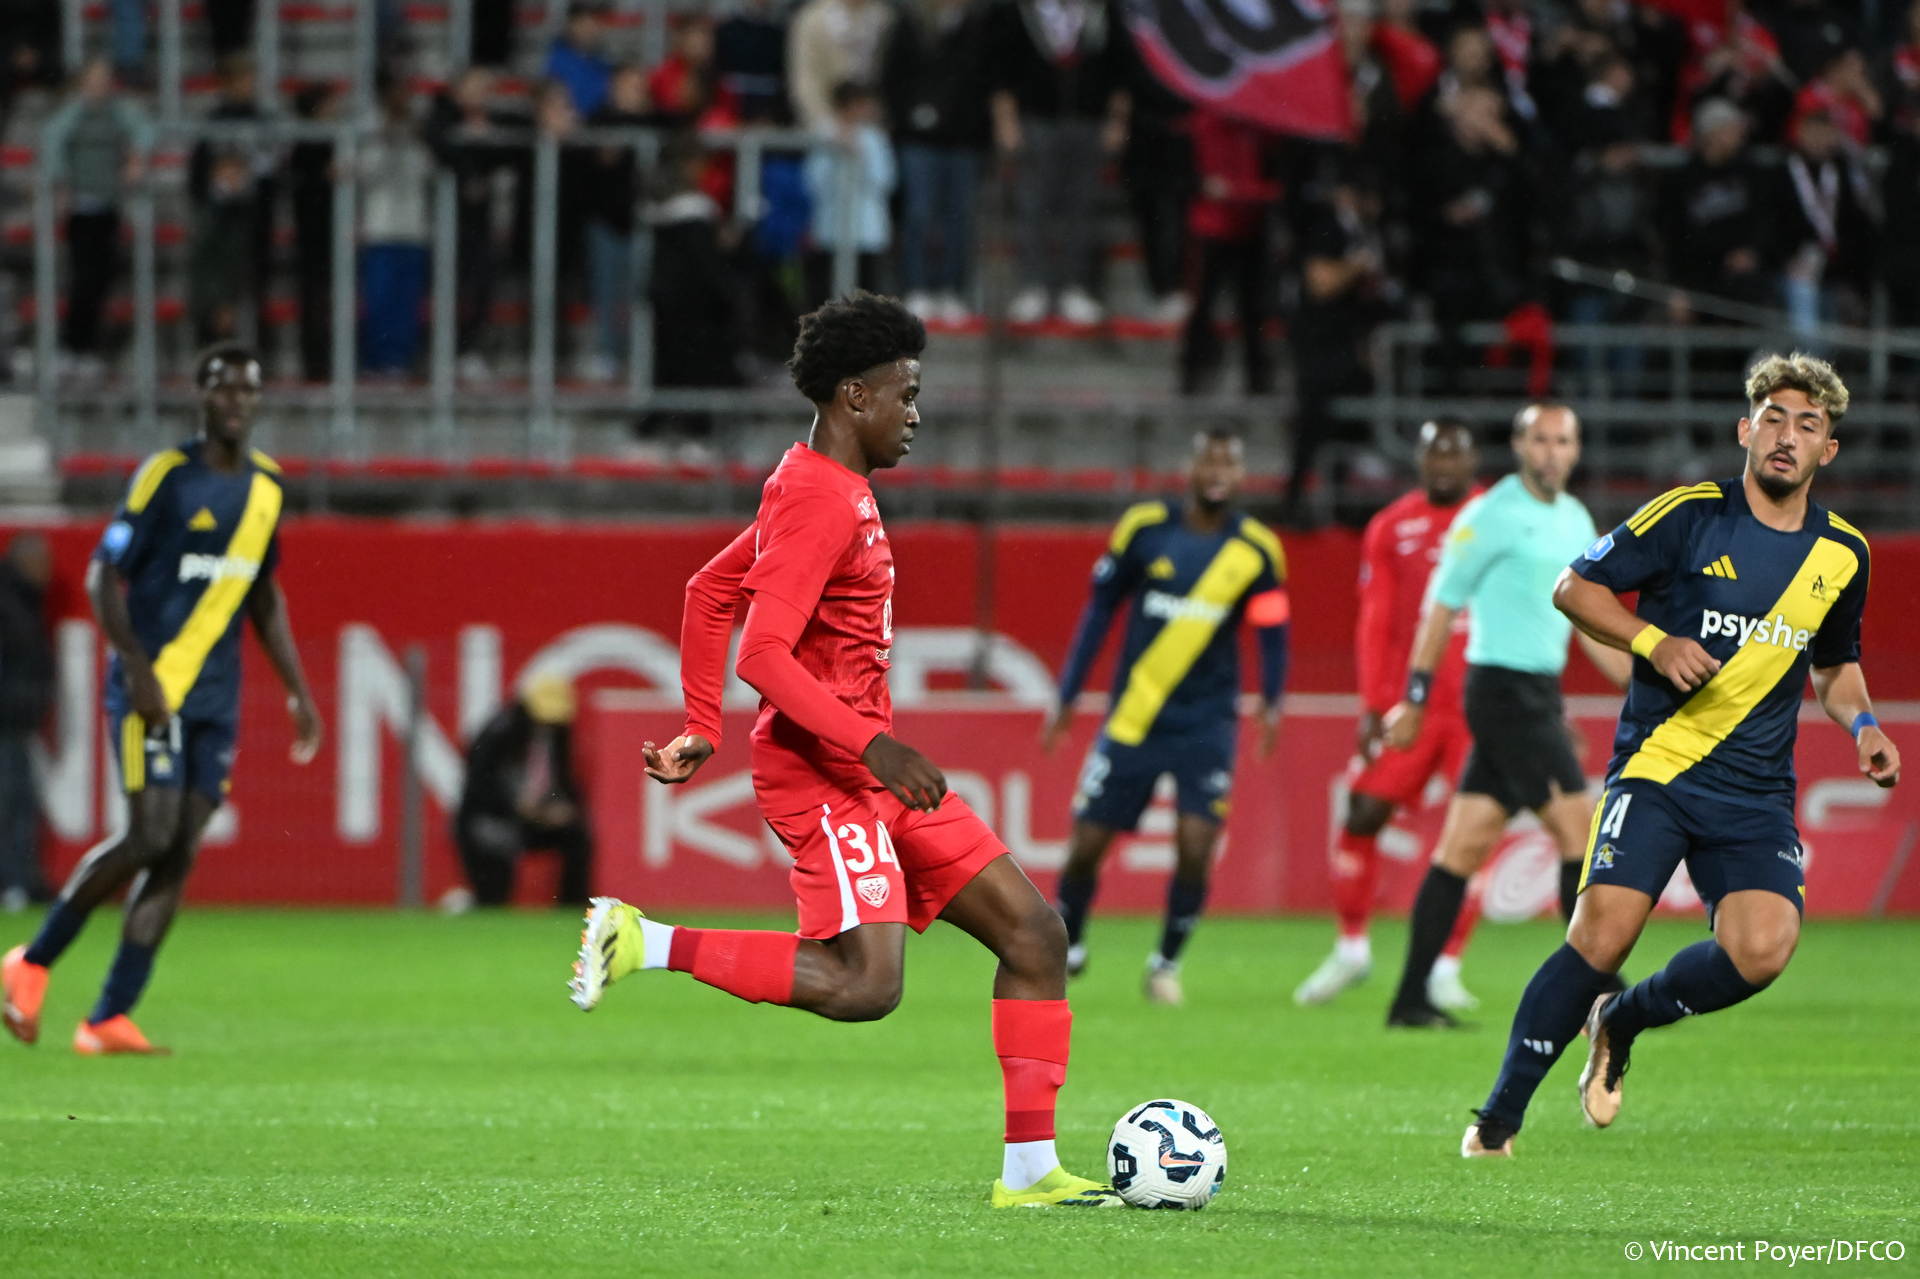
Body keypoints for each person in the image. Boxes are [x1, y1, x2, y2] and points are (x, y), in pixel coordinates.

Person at [568, 292, 1122, 1208]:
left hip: (866, 767)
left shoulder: (818, 486)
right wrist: (874, 745)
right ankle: (644, 939)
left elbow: (710, 590)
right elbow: (763, 654)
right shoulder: (821, 501)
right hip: (826, 773)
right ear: (855, 396)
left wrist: (703, 723)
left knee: (1035, 934)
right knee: (867, 986)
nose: (916, 414)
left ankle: (1030, 1172)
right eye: (907, 394)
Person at [1462, 352, 1900, 1158]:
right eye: (1773, 418)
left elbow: (1835, 665)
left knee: (1763, 949)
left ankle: (1621, 1018)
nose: (1787, 436)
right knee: (1601, 938)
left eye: (1808, 425)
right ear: (1745, 429)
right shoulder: (1690, 514)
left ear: (1828, 449)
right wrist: (1654, 641)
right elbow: (1574, 587)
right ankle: (1496, 1121)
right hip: (1660, 769)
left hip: (1756, 790)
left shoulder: (1844, 553)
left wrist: (1864, 725)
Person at [2, 344, 323, 1055]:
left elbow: (262, 594)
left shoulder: (267, 488)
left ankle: (107, 1017)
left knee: (178, 852)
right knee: (149, 835)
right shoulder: (167, 477)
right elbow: (101, 575)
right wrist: (136, 667)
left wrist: (298, 690)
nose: (237, 401)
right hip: (154, 688)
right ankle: (32, 960)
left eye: (249, 389)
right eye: (224, 388)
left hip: (216, 699)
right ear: (201, 396)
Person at [1379, 402, 1631, 1028]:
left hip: (1536, 695)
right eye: (1540, 440)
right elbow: (1441, 605)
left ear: (1576, 449)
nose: (1551, 452)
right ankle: (1598, 990)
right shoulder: (1490, 515)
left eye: (1562, 441)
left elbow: (1585, 622)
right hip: (1501, 693)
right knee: (1579, 835)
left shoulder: (1575, 518)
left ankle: (1409, 1000)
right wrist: (1414, 698)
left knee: (1460, 850)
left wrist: (1643, 677)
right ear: (1519, 446)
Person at [1041, 429, 1290, 1005]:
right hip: (1137, 713)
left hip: (1207, 722)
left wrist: (1273, 702)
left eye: (1230, 462)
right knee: (1087, 843)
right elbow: (1099, 612)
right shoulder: (1145, 529)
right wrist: (1068, 693)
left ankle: (1165, 965)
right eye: (1209, 461)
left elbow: (1274, 634)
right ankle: (1071, 941)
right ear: (1190, 467)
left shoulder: (1256, 549)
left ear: (1242, 474)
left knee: (1197, 845)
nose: (1219, 472)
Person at [1295, 419, 1481, 1009]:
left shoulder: (1497, 519)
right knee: (1363, 811)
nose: (1444, 465)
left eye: (1454, 454)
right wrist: (1373, 702)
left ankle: (1447, 967)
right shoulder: (1392, 526)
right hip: (1413, 704)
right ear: (1420, 461)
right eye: (1434, 454)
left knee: (1472, 831)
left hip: (1480, 704)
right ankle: (1352, 948)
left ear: (1471, 461)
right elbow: (1375, 619)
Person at [41, 58, 151, 379]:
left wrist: (135, 156)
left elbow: (146, 130)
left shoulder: (118, 112)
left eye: (104, 79)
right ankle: (70, 347)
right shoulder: (74, 114)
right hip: (81, 207)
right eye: (94, 80)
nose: (99, 86)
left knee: (102, 281)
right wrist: (62, 181)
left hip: (108, 205)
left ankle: (88, 349)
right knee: (83, 281)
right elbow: (52, 140)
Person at [452, 674, 592, 909]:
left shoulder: (557, 735)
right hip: (493, 819)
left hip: (534, 820)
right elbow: (479, 789)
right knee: (493, 888)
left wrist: (561, 809)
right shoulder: (498, 734)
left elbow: (566, 780)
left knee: (576, 836)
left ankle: (572, 907)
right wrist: (517, 807)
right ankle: (483, 902)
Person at [803, 82, 896, 309]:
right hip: (831, 231)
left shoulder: (875, 138)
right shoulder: (823, 134)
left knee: (867, 300)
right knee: (826, 298)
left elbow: (885, 181)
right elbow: (812, 182)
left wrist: (860, 155)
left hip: (867, 233)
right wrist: (835, 151)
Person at [0, 533, 55, 910]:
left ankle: (22, 879)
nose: (46, 572)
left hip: (18, 722)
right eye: (40, 563)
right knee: (9, 803)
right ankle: (12, 882)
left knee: (22, 802)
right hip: (6, 720)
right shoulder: (9, 605)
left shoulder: (25, 602)